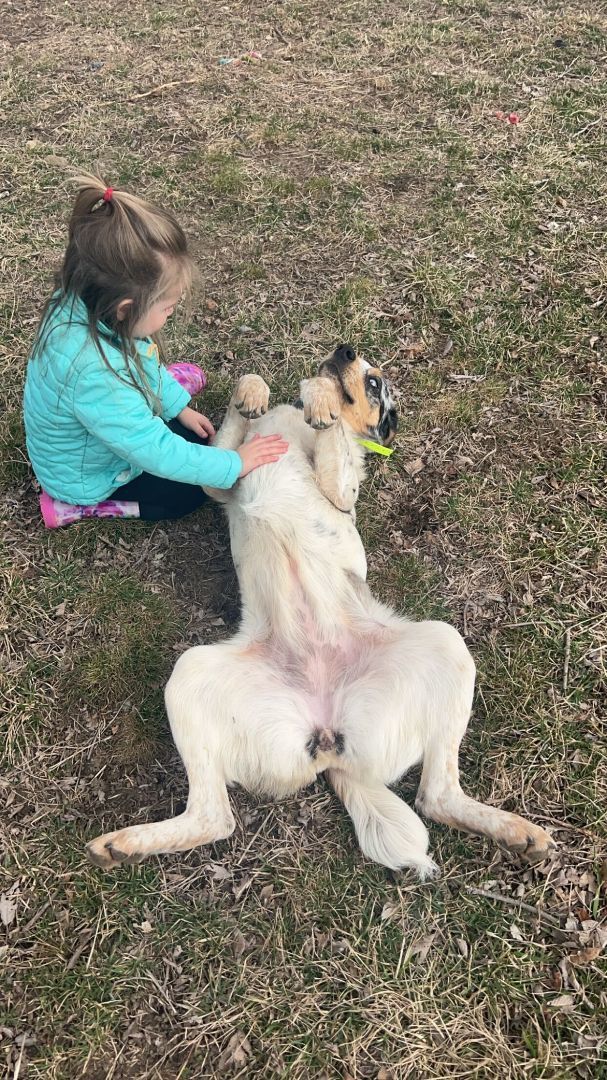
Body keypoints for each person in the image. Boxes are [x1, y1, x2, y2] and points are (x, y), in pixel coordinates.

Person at [23, 173, 287, 526]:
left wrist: (175, 404)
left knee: (194, 434)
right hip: (87, 479)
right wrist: (236, 464)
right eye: (167, 307)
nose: (172, 313)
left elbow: (136, 353)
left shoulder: (86, 300)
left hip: (97, 428)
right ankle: (78, 507)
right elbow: (157, 452)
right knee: (190, 492)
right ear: (125, 309)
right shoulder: (96, 376)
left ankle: (155, 397)